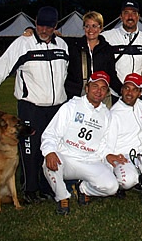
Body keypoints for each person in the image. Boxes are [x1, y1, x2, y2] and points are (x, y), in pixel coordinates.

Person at [0, 6, 68, 203]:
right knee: (31, 148)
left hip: (56, 107)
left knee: (50, 148)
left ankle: (47, 187)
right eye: (40, 25)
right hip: (31, 105)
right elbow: (3, 65)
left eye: (49, 26)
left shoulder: (62, 45)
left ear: (56, 26)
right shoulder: (23, 43)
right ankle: (29, 189)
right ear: (35, 22)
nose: (43, 30)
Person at [41, 71, 119, 215]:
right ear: (87, 88)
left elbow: (104, 144)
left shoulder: (107, 115)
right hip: (66, 158)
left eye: (103, 88)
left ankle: (83, 189)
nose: (99, 91)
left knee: (112, 187)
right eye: (95, 86)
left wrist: (107, 156)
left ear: (107, 92)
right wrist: (50, 151)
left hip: (90, 160)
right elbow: (51, 133)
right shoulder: (71, 106)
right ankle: (63, 197)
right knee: (49, 164)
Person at [102, 0, 142, 100]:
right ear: (120, 16)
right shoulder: (107, 38)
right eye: (126, 13)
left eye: (134, 13)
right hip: (116, 95)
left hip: (141, 95)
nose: (130, 17)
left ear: (138, 17)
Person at [64, 11, 119, 103]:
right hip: (76, 97)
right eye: (87, 26)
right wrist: (31, 30)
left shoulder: (107, 50)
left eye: (94, 26)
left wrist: (123, 91)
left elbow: (111, 75)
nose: (90, 30)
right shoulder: (73, 46)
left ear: (101, 28)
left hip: (99, 98)